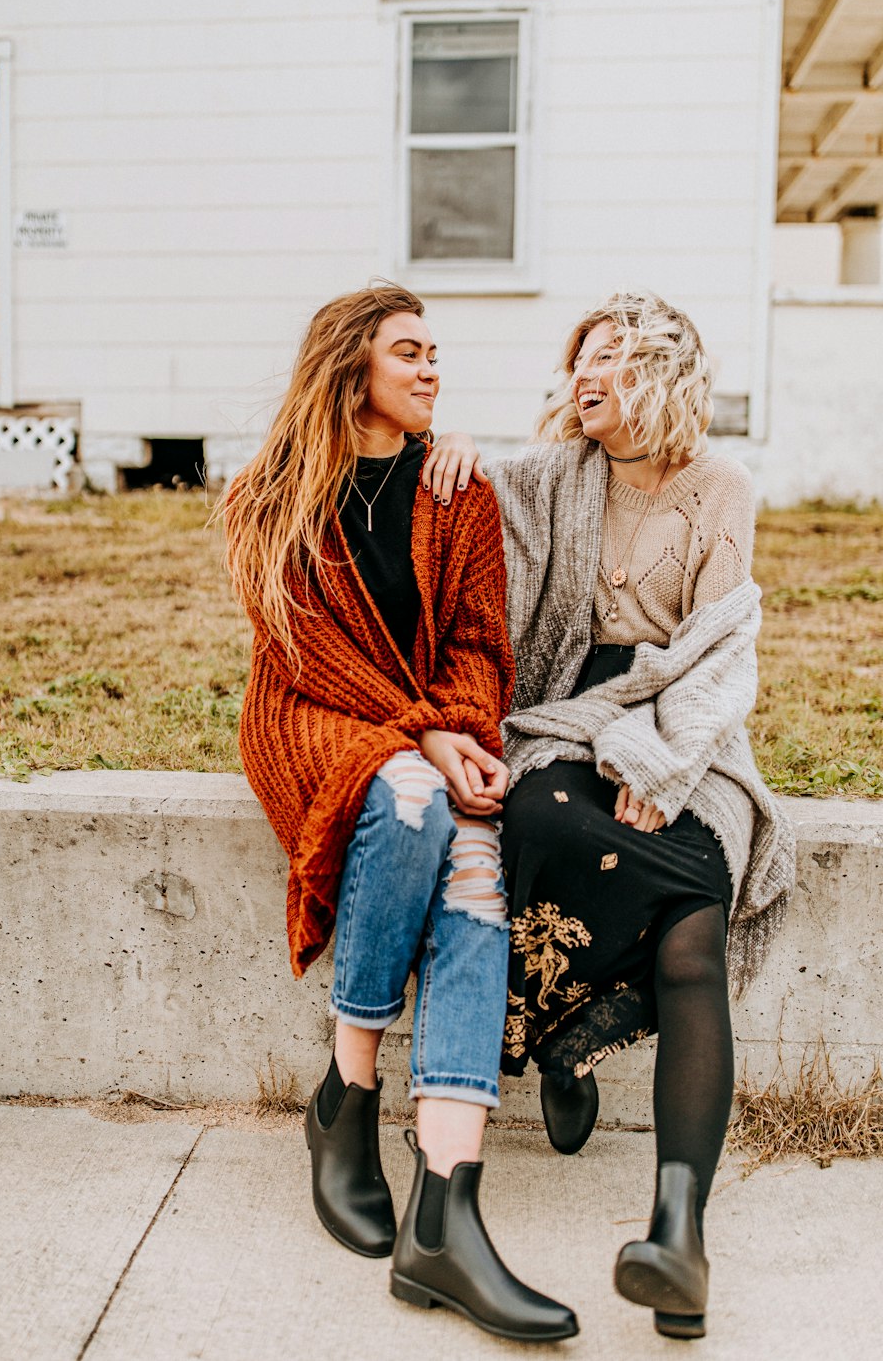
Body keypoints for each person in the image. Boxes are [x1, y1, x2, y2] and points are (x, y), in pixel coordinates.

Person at [424, 290, 795, 1341]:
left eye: (617, 359)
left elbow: (723, 652)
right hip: (566, 718)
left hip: (687, 732)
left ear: (667, 373)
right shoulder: (547, 479)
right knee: (540, 817)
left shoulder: (722, 487)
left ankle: (679, 1234)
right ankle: (564, 1043)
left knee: (692, 937)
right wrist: (446, 442)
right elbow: (453, 498)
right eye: (581, 358)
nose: (588, 376)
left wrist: (662, 761)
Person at [222, 283, 577, 1343]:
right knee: (419, 801)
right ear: (351, 368)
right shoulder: (267, 495)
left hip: (424, 731)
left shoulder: (453, 487)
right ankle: (347, 1091)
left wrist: (461, 728)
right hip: (310, 717)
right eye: (408, 353)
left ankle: (443, 1207)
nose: (431, 370)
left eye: (436, 354)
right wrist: (428, 738)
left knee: (472, 855)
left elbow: (477, 643)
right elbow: (305, 655)